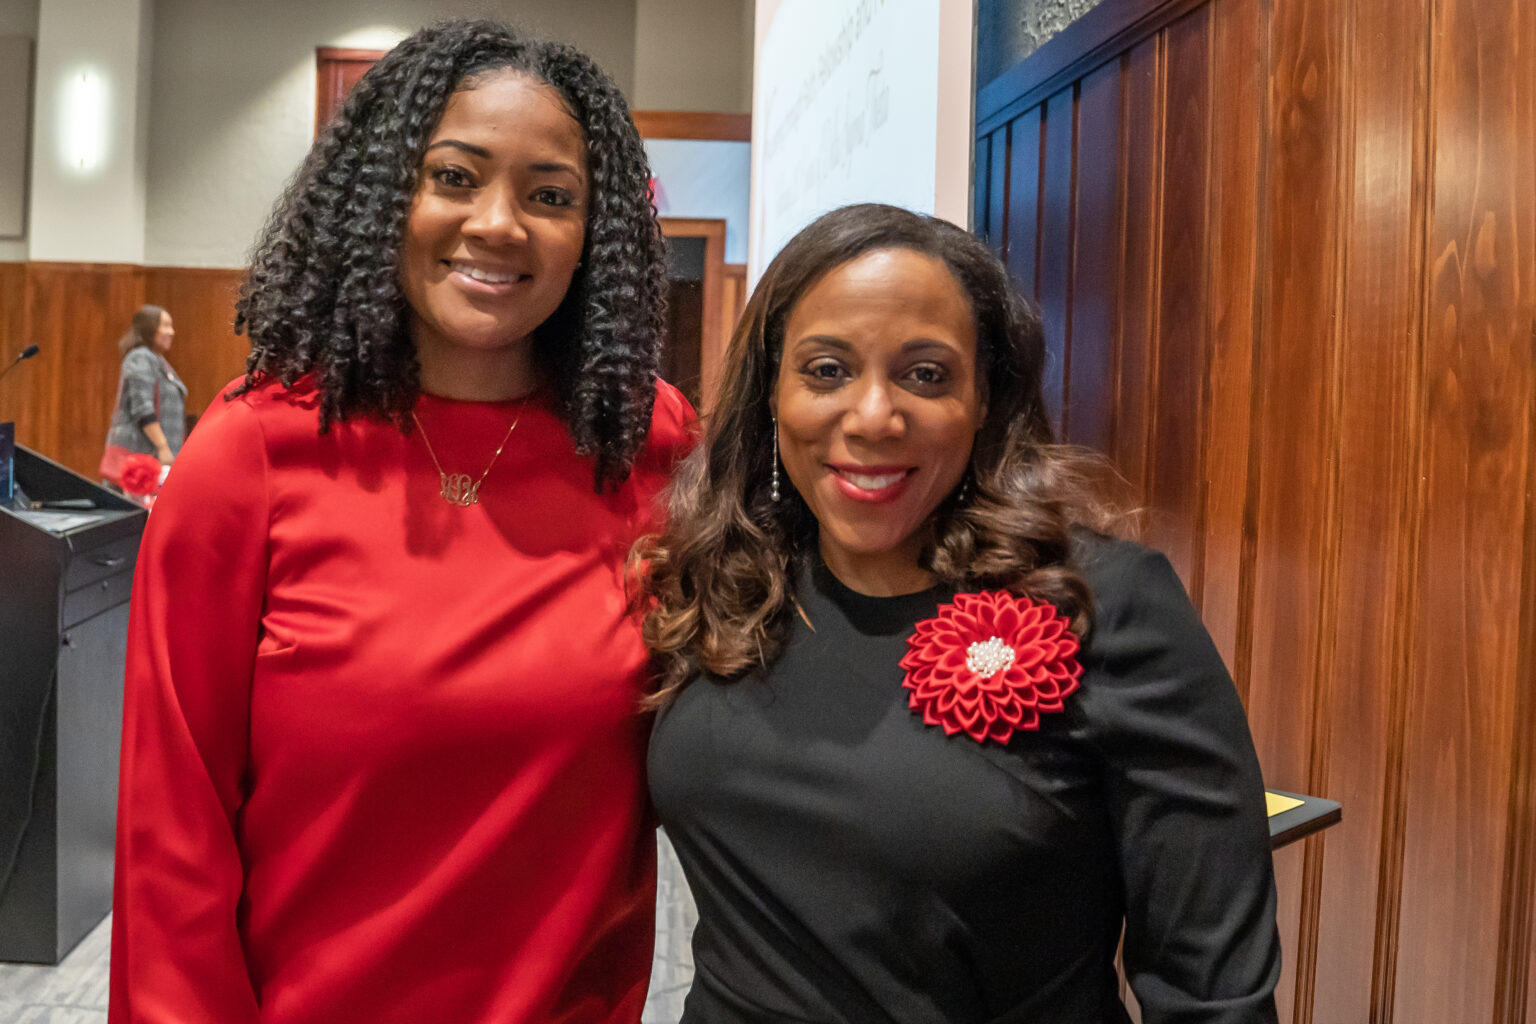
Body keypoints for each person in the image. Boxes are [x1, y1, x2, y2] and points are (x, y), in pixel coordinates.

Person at [110, 20, 691, 1024]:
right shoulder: (254, 448)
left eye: (551, 195)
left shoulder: (649, 446)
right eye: (454, 177)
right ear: (383, 198)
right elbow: (173, 828)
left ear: (597, 232)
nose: (500, 223)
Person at [641, 203, 1281, 1023]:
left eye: (926, 374)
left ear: (987, 398)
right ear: (771, 393)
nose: (873, 416)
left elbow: (1213, 994)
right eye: (827, 370)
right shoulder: (724, 580)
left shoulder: (1107, 608)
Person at [101, 304, 186, 484]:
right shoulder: (140, 357)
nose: (171, 332)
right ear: (149, 328)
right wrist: (163, 447)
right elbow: (143, 408)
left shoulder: (158, 361)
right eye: (165, 325)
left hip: (155, 461)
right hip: (140, 463)